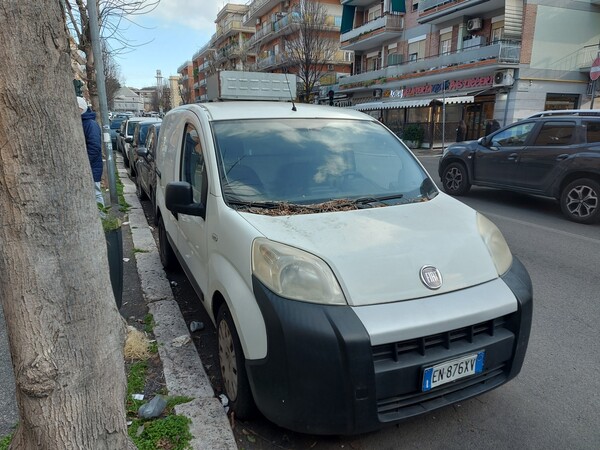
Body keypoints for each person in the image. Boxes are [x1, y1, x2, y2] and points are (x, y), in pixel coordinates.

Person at [78, 97, 104, 207]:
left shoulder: (89, 124)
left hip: (92, 166)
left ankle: (102, 216)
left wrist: (85, 162)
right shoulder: (85, 122)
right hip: (91, 165)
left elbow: (94, 146)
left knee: (96, 192)